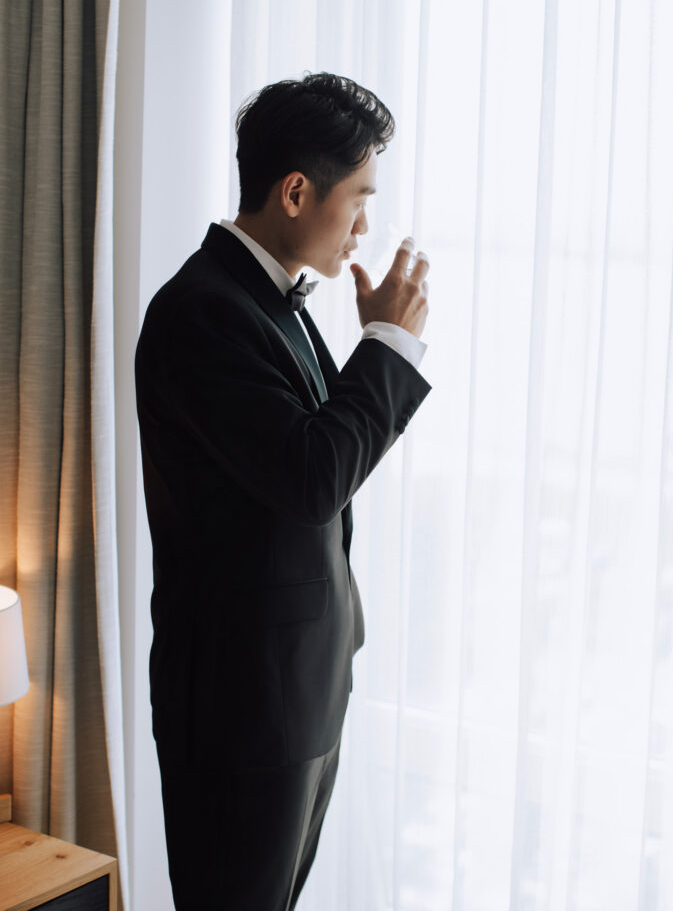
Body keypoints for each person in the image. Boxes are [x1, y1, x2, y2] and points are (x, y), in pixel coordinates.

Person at [135, 72, 432, 910]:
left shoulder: (272, 302)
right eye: (360, 199)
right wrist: (388, 346)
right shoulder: (201, 310)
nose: (365, 226)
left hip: (295, 692)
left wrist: (377, 344)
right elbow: (314, 479)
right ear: (296, 192)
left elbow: (311, 460)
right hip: (241, 710)